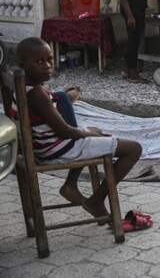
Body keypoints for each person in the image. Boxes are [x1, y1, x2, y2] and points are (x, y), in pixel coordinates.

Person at [14, 37, 142, 219]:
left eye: (50, 60)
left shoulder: (26, 88)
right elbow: (65, 132)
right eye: (39, 62)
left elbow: (54, 109)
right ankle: (96, 200)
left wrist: (69, 103)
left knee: (100, 135)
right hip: (57, 150)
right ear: (23, 64)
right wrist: (88, 133)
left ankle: (71, 185)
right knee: (133, 149)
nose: (47, 66)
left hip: (45, 147)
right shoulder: (36, 94)